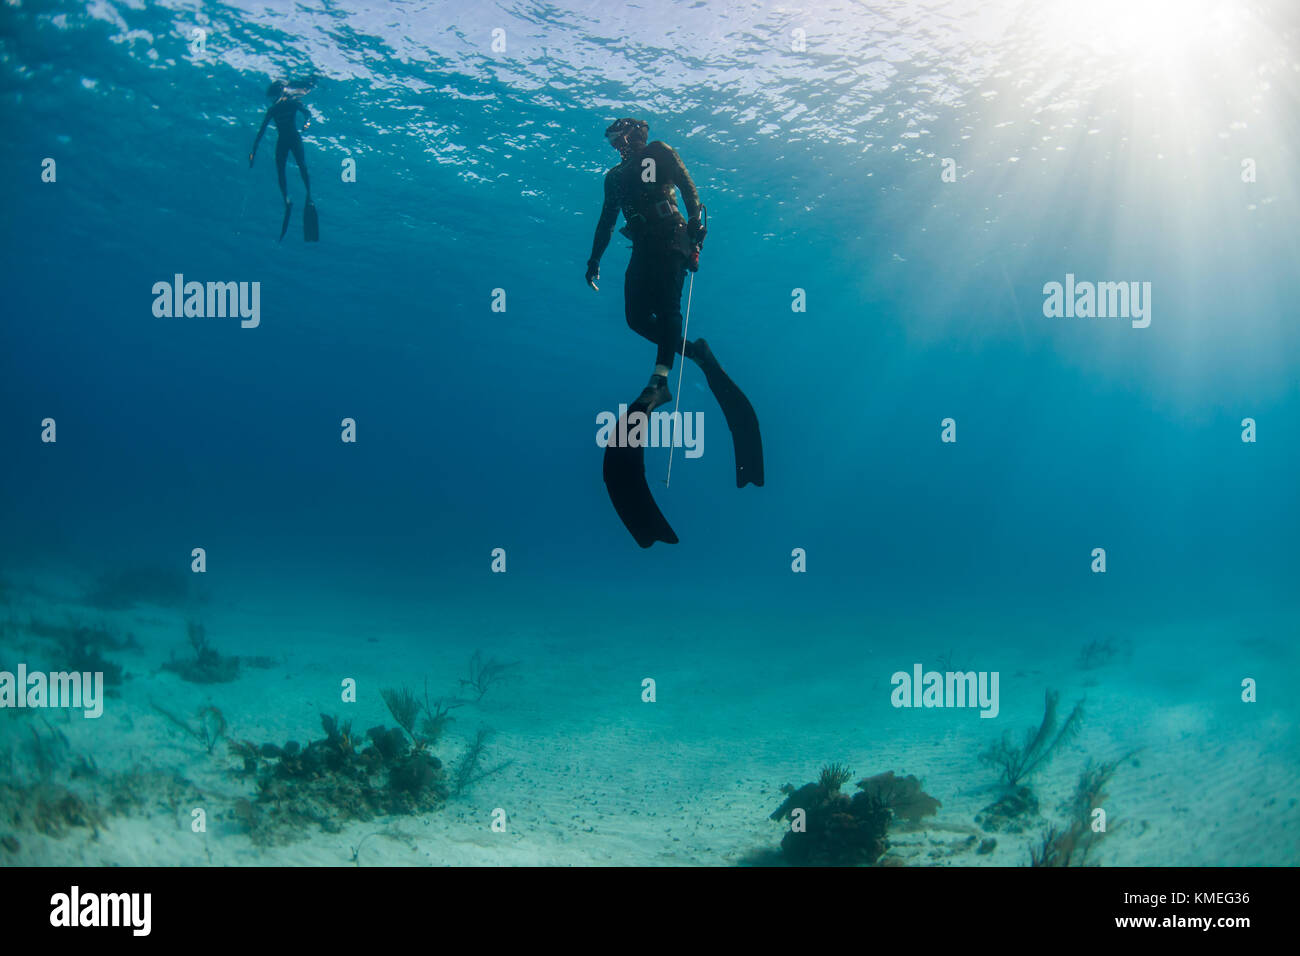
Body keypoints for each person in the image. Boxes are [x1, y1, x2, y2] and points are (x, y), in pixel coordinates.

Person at [588, 118, 763, 547]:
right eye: (615, 139)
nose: (621, 144)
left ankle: (660, 379)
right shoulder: (613, 178)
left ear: (640, 135)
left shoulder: (661, 152)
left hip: (670, 239)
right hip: (643, 247)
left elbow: (688, 189)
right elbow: (607, 221)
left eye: (625, 135)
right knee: (633, 318)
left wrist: (696, 228)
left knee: (666, 309)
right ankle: (696, 353)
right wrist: (594, 260)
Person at [249, 77, 318, 241]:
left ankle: (309, 196)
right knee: (280, 170)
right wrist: (254, 151)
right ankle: (286, 199)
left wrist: (307, 124)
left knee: (302, 166)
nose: (275, 99)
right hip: (284, 140)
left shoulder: (292, 102)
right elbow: (261, 130)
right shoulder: (273, 110)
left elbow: (307, 114)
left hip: (293, 138)